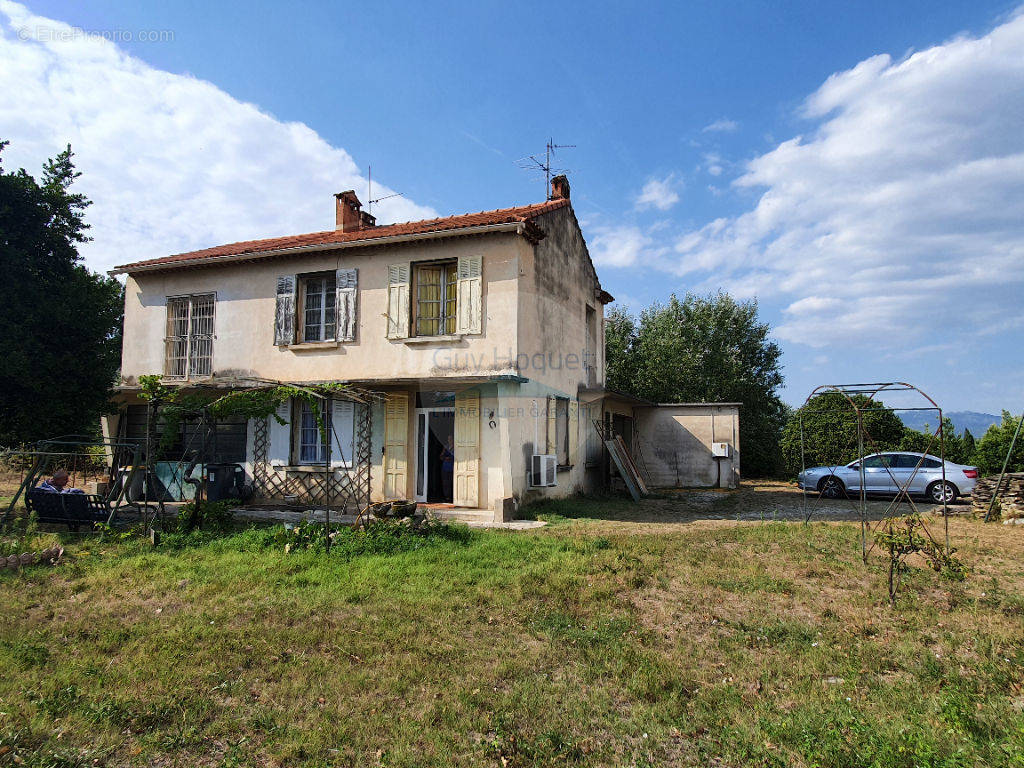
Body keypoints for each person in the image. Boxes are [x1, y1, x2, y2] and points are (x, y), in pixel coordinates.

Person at [440, 434, 455, 503]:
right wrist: (445, 458)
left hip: (453, 468)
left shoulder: (456, 447)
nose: (450, 440)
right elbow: (441, 456)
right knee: (445, 483)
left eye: (451, 439)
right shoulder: (446, 447)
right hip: (445, 467)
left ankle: (453, 497)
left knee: (452, 483)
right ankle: (447, 497)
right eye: (448, 439)